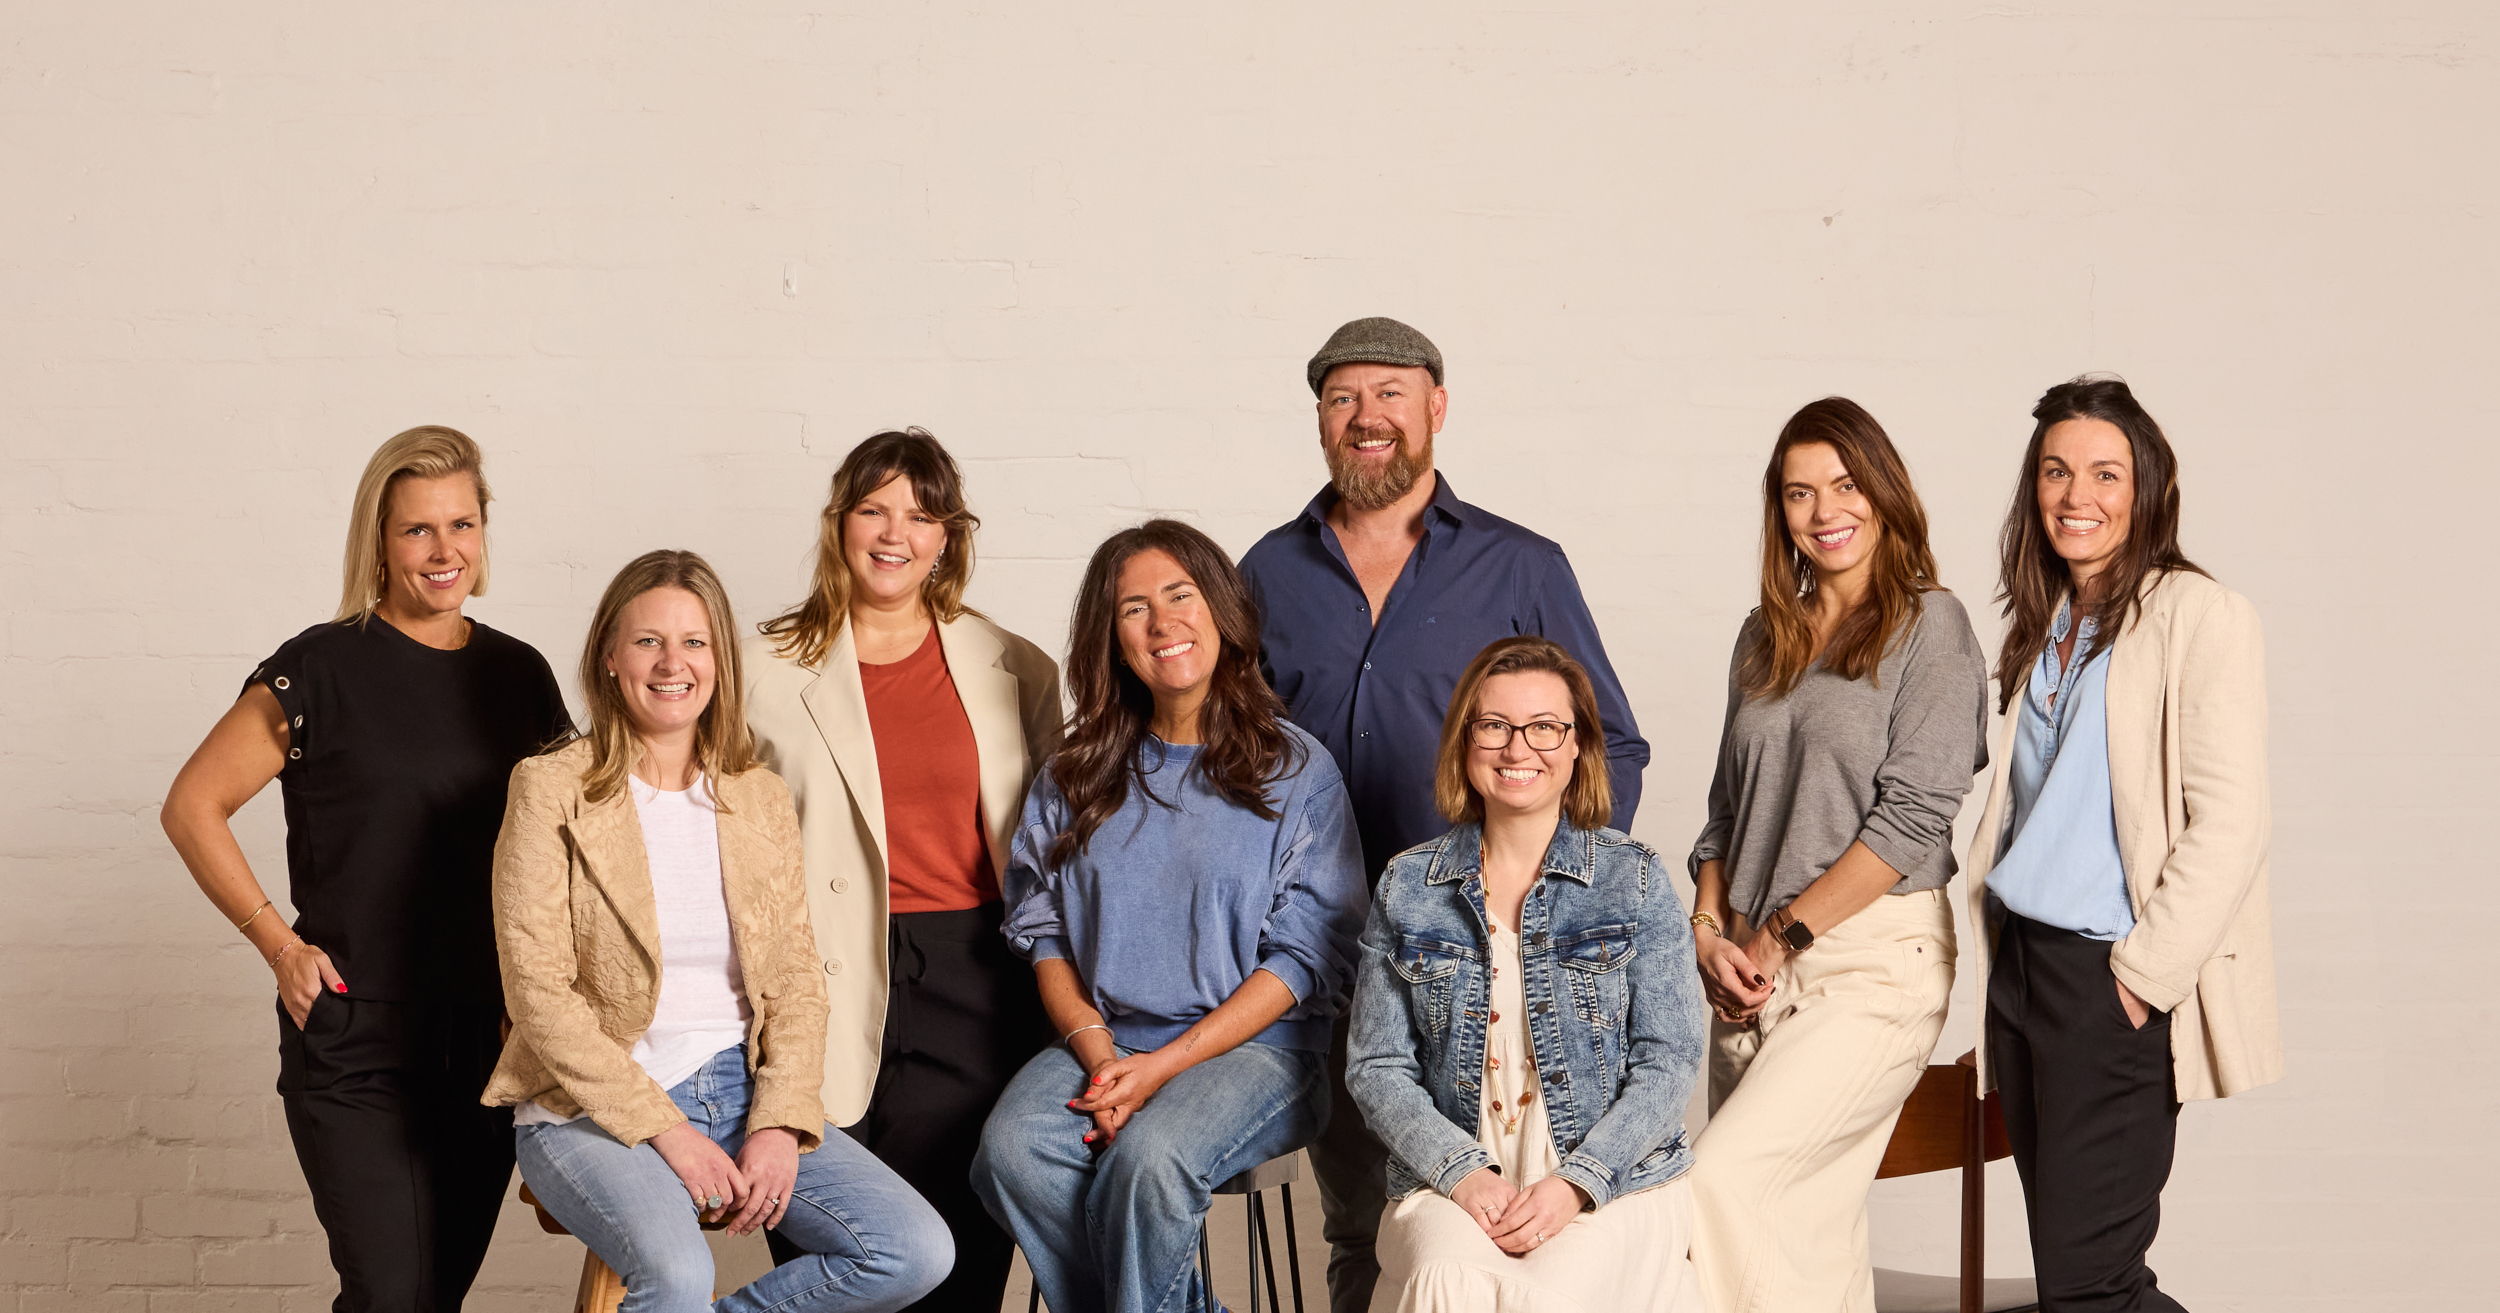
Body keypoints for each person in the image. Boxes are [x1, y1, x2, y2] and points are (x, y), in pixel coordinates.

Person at [1237, 316, 1650, 1313]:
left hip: (1483, 963)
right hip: (1329, 963)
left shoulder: (1519, 565)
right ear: (1321, 421)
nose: (1366, 416)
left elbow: (1613, 747)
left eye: (1389, 392)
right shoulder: (1263, 571)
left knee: (1503, 1224)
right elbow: (1229, 758)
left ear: (1436, 407)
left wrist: (1542, 904)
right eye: (1342, 398)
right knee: (1359, 1223)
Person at [161, 426, 566, 1312]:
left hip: (488, 1040)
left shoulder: (520, 676)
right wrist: (277, 944)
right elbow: (191, 805)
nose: (443, 550)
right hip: (355, 1038)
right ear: (379, 541)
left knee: (432, 1295)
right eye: (418, 529)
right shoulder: (319, 667)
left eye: (461, 524)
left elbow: (580, 839)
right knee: (391, 1293)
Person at [483, 549, 950, 1313]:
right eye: (648, 641)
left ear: (719, 661)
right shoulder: (549, 788)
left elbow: (797, 979)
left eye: (694, 641)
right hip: (589, 1106)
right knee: (676, 1275)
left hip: (739, 1090)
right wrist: (665, 1129)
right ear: (609, 656)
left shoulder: (757, 796)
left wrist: (779, 1120)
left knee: (911, 1248)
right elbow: (537, 994)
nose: (673, 662)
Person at [971, 519, 1368, 1313]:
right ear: (1113, 640)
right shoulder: (1078, 770)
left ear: (1221, 611)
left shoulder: (1296, 770)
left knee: (1148, 1160)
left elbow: (1303, 960)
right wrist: (1096, 1045)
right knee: (1011, 1150)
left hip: (1262, 1054)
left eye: (1181, 596)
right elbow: (1041, 927)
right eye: (1134, 608)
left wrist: (1163, 1067)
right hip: (1109, 1036)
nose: (1163, 623)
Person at [1969, 377, 2279, 1312]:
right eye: (2057, 471)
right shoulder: (2044, 624)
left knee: (2091, 1283)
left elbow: (2231, 821)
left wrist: (2141, 978)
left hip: (2110, 977)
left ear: (2145, 489)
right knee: (2081, 1279)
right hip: (2021, 974)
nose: (2078, 495)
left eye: (2106, 473)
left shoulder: (2199, 615)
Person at [743, 428, 1063, 1309]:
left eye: (922, 514)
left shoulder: (1017, 665)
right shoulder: (757, 669)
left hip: (976, 982)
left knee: (957, 1260)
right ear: (838, 522)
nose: (896, 533)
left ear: (949, 535)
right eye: (874, 509)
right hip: (814, 978)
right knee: (843, 1261)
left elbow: (1055, 844)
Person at [1683, 398, 1989, 1313]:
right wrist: (1709, 930)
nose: (1824, 512)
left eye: (1846, 485)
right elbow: (1724, 816)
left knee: (1720, 1184)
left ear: (1885, 490)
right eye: (1799, 493)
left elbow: (1913, 820)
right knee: (1795, 1235)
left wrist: (1780, 934)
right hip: (1745, 972)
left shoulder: (1931, 626)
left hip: (1867, 961)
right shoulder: (1763, 633)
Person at [1347, 636, 1706, 1313]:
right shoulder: (1407, 885)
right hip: (1451, 1180)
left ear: (1578, 745)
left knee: (1547, 1297)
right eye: (1495, 726)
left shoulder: (1633, 878)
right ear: (1465, 739)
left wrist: (1577, 1181)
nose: (1518, 749)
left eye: (1545, 726)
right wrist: (1462, 1173)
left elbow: (1670, 1059)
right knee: (1446, 1279)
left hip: (1614, 1182)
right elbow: (1377, 1066)